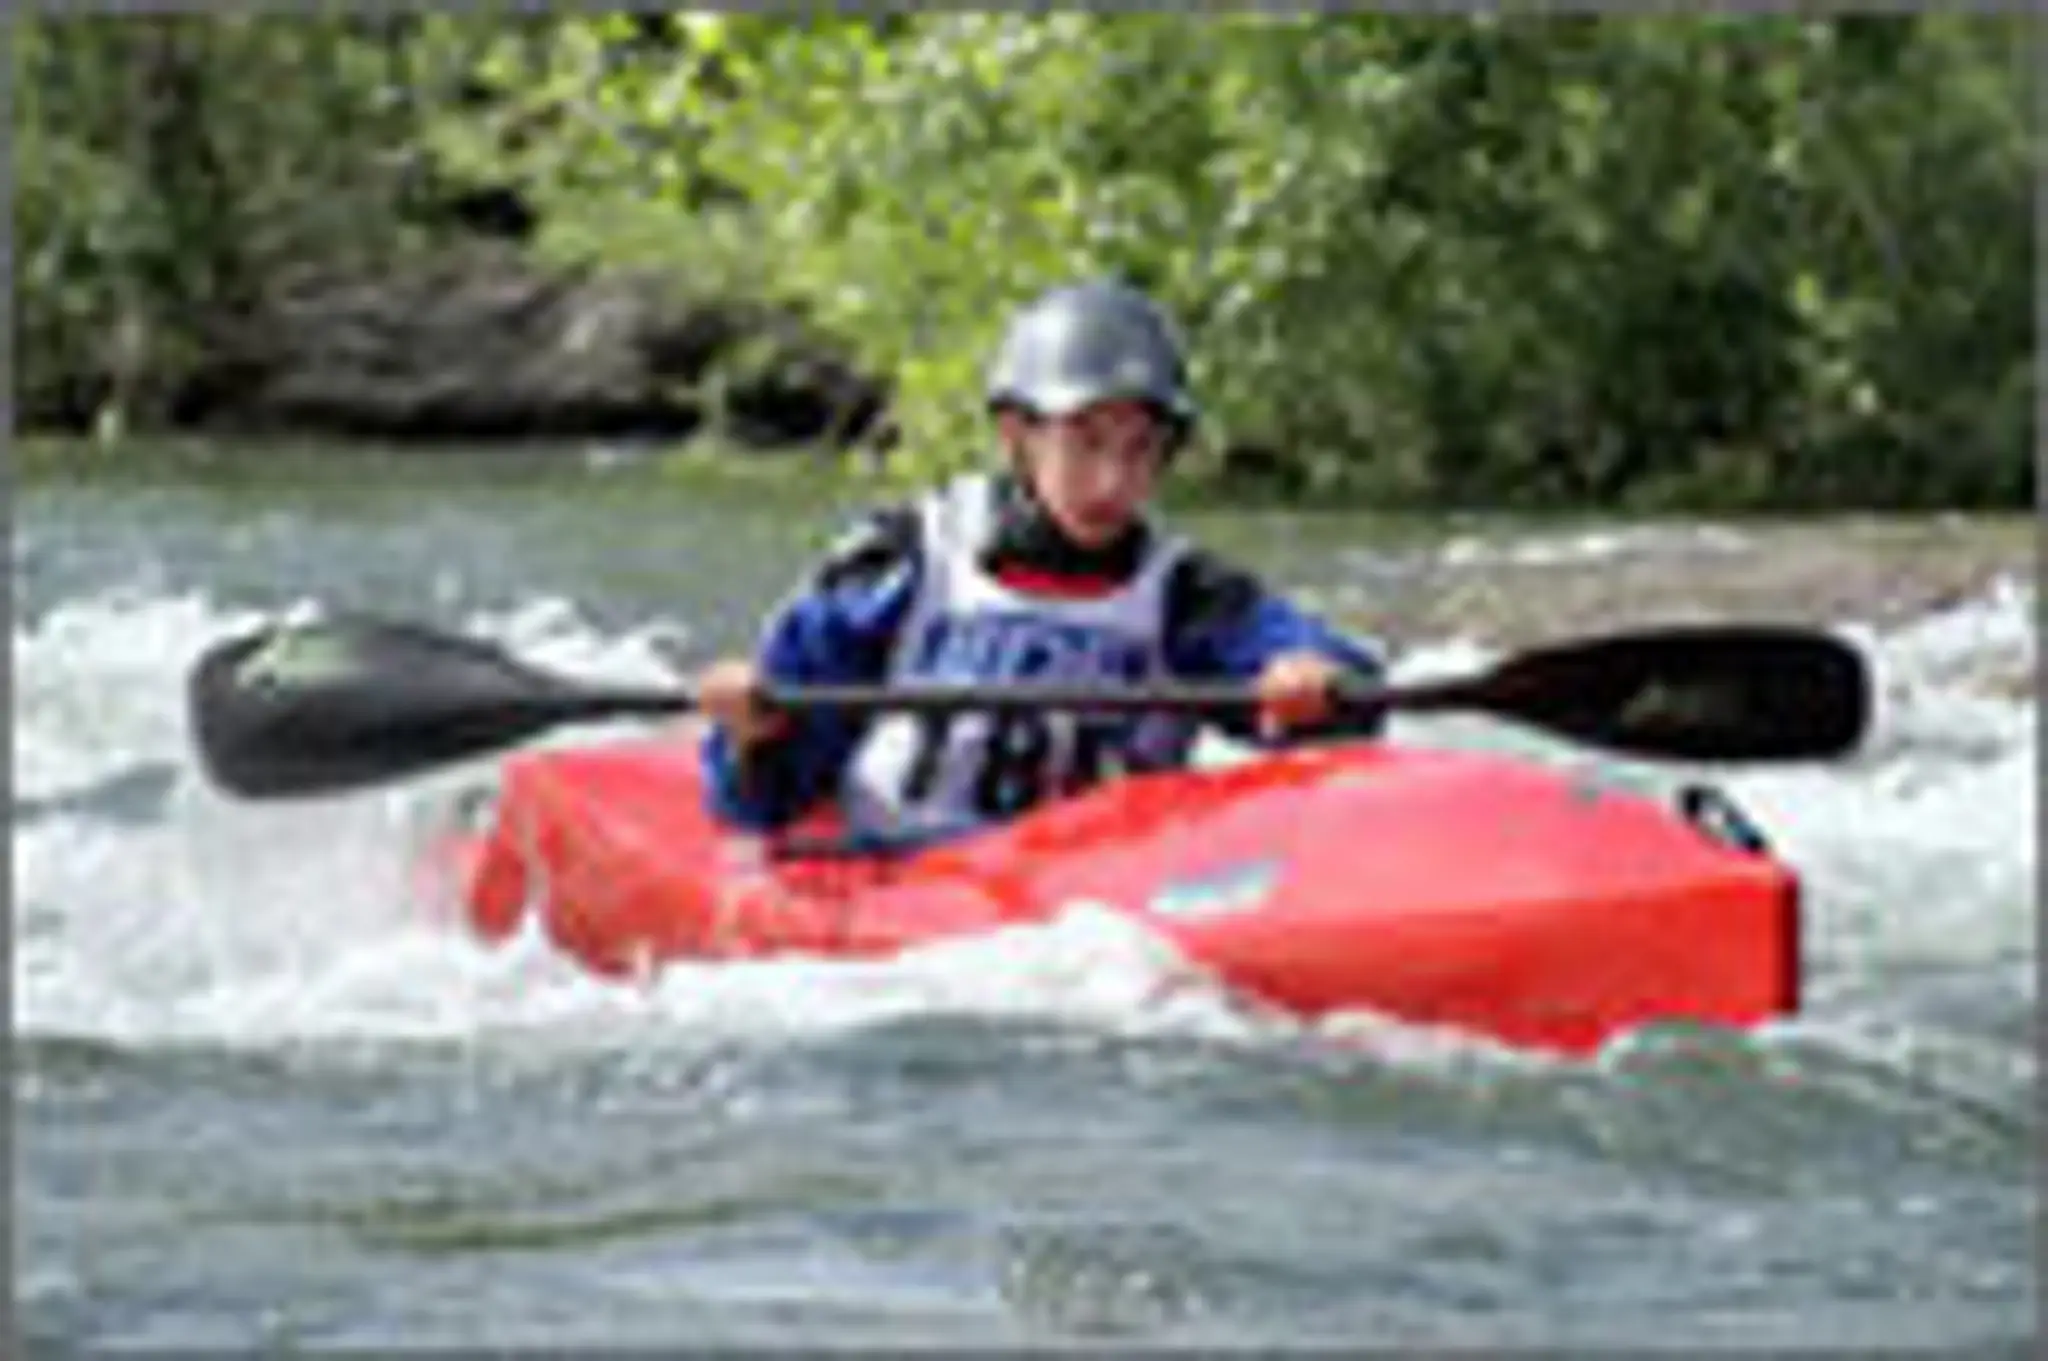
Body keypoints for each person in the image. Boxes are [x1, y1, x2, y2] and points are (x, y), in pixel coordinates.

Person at [694, 279, 1386, 844]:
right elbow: (758, 801)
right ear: (1016, 435)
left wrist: (1314, 679)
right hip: (900, 873)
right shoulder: (903, 562)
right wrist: (756, 730)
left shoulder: (1185, 595)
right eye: (1085, 443)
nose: (1114, 480)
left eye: (1140, 448)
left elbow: (1328, 678)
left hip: (1093, 898)